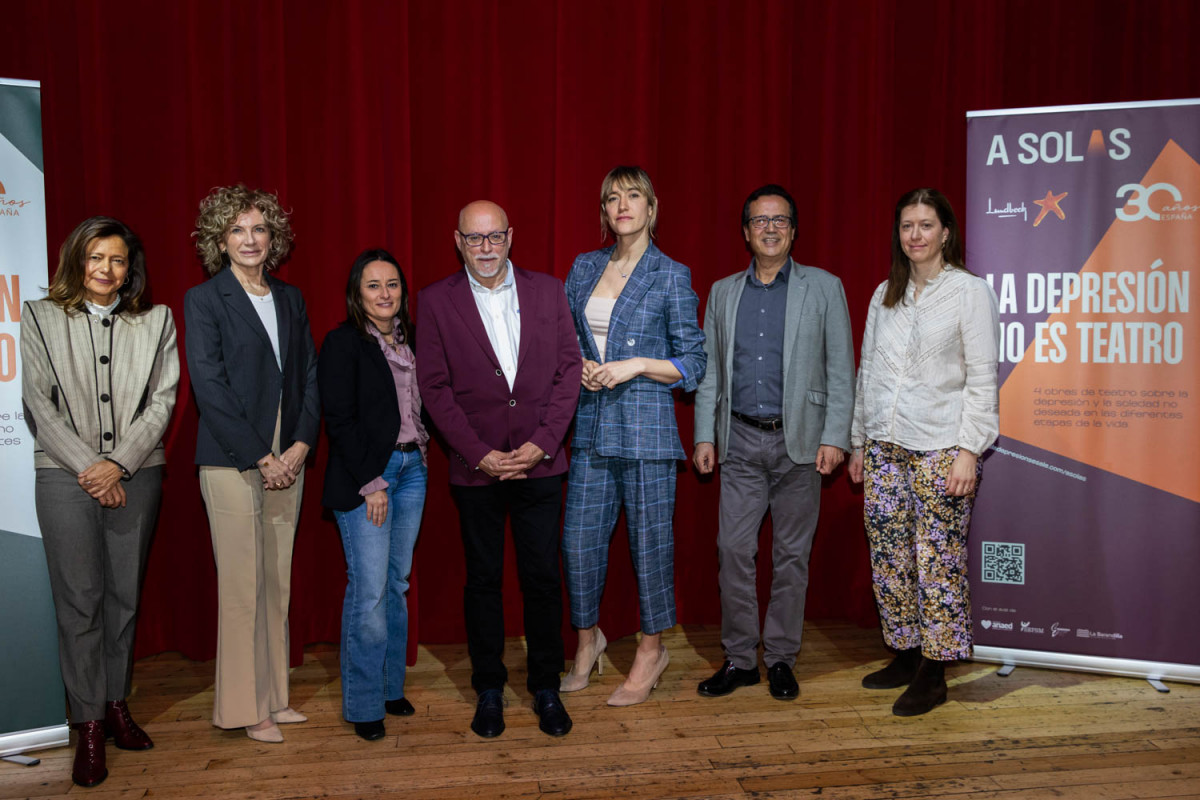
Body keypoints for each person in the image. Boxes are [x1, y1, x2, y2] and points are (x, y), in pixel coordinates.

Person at [21, 216, 179, 787]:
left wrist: (120, 464)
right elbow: (38, 401)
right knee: (80, 604)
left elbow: (162, 402)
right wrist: (93, 468)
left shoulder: (157, 321)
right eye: (95, 258)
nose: (106, 270)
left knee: (123, 599)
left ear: (128, 268)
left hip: (137, 473)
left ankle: (116, 704)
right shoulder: (39, 317)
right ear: (75, 261)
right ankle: (87, 723)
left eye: (117, 260)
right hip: (63, 476)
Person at [416, 200, 581, 739]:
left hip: (541, 464)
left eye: (494, 237)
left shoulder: (549, 291)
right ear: (457, 241)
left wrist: (541, 444)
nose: (485, 248)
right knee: (483, 582)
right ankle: (488, 687)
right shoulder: (435, 302)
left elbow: (568, 372)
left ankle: (545, 686)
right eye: (474, 238)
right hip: (476, 467)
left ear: (510, 237)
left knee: (542, 579)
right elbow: (434, 390)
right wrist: (477, 451)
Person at [692, 184, 855, 702]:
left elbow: (841, 369)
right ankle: (741, 659)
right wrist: (703, 434)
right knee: (733, 550)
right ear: (745, 232)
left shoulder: (824, 288)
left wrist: (836, 436)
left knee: (791, 556)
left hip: (801, 445)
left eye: (779, 220)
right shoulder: (722, 292)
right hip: (738, 440)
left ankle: (781, 657)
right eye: (759, 221)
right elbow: (712, 371)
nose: (769, 228)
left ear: (793, 229)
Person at [848, 188, 999, 716]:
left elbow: (982, 379)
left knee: (937, 562)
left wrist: (969, 451)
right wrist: (859, 442)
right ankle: (907, 653)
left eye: (926, 225)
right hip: (885, 448)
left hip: (941, 446)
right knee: (890, 557)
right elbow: (866, 372)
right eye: (907, 225)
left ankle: (935, 672)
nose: (915, 235)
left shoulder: (968, 293)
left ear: (946, 233)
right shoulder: (882, 295)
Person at [561, 166, 706, 706]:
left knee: (651, 546)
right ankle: (587, 640)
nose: (623, 205)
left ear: (651, 206)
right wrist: (576, 363)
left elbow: (694, 361)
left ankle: (651, 648)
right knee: (578, 544)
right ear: (604, 210)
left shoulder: (670, 274)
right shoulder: (583, 267)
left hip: (647, 430)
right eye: (613, 197)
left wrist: (635, 365)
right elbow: (564, 339)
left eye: (634, 195)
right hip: (590, 428)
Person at [184, 185, 319, 742]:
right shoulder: (204, 299)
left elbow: (310, 376)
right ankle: (244, 709)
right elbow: (209, 388)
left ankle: (274, 697)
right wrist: (263, 456)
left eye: (259, 228)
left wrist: (300, 447)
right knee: (242, 588)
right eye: (236, 230)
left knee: (276, 584)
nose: (249, 239)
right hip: (231, 462)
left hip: (288, 459)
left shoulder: (290, 298)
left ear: (274, 238)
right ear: (220, 239)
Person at [318, 248, 428, 741]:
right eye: (373, 286)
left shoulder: (412, 342)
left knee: (398, 584)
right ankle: (364, 705)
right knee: (370, 591)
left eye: (392, 285)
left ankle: (389, 687)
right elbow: (338, 419)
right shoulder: (343, 343)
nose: (385, 294)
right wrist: (372, 483)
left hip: (414, 469)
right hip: (372, 476)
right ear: (356, 295)